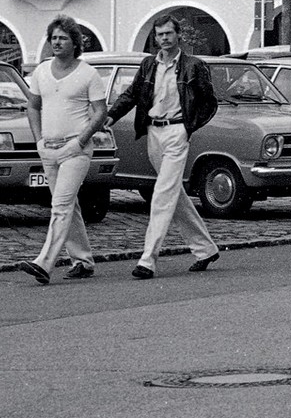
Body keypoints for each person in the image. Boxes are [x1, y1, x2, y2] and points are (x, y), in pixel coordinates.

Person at [78, 16, 220, 278]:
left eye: (168, 34)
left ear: (178, 36)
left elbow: (209, 103)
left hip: (177, 131)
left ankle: (148, 260)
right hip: (153, 132)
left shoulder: (194, 66)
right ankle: (205, 248)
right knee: (173, 194)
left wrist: (188, 128)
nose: (164, 38)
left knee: (163, 194)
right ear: (155, 38)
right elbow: (132, 94)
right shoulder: (148, 65)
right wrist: (111, 115)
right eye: (160, 35)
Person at [18, 17, 110, 285]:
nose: (56, 43)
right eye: (54, 38)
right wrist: (38, 142)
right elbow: (33, 107)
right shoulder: (41, 71)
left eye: (63, 38)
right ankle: (82, 261)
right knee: (70, 207)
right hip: (49, 148)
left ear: (75, 43)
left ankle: (44, 263)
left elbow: (100, 111)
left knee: (60, 206)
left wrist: (80, 141)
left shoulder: (88, 74)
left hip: (76, 149)